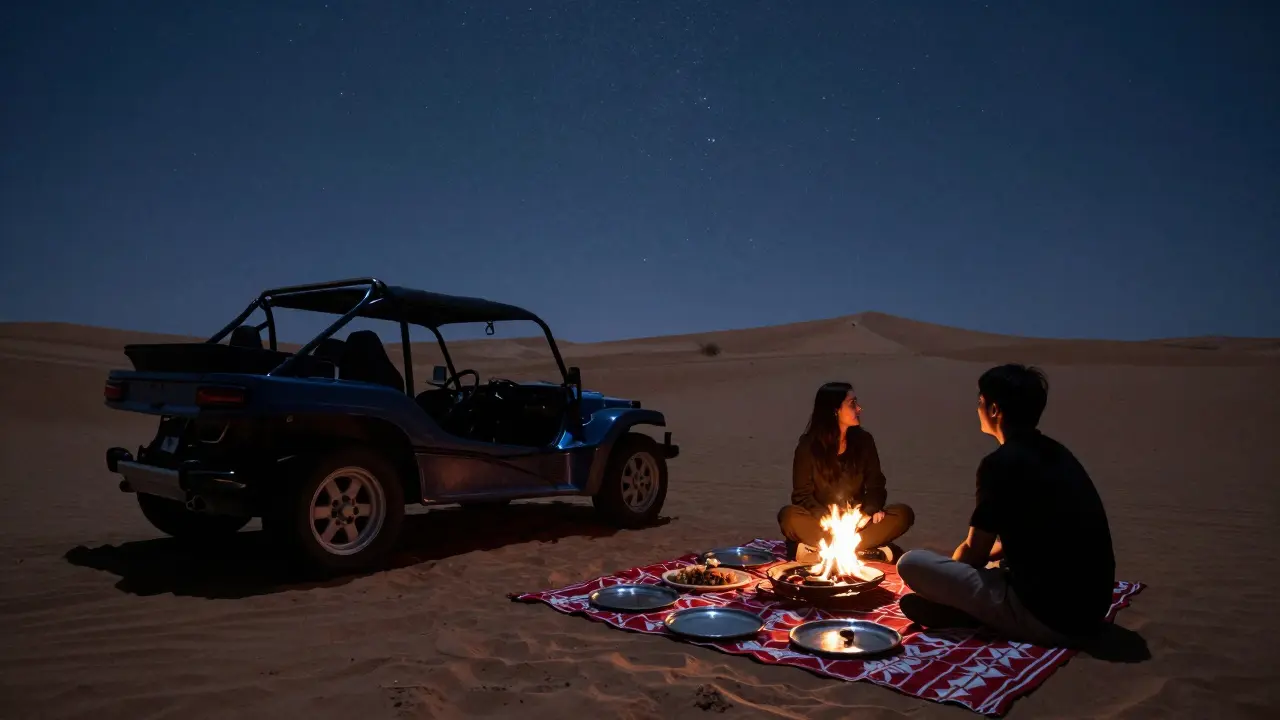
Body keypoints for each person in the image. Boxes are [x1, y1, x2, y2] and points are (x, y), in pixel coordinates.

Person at [896, 364, 1116, 647]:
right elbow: (1035, 534)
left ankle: (970, 612)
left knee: (912, 563)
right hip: (1090, 611)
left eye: (980, 402)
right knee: (996, 562)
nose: (977, 408)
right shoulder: (1058, 453)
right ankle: (976, 608)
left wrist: (950, 584)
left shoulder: (999, 465)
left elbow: (976, 552)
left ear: (995, 410)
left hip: (1050, 619)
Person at [778, 382, 915, 563]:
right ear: (834, 410)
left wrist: (869, 511)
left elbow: (876, 485)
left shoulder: (864, 441)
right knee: (788, 516)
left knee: (903, 514)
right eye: (852, 404)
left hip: (857, 525)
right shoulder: (808, 446)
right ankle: (866, 553)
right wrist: (827, 519)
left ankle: (818, 552)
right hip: (822, 524)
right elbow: (801, 496)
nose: (859, 408)